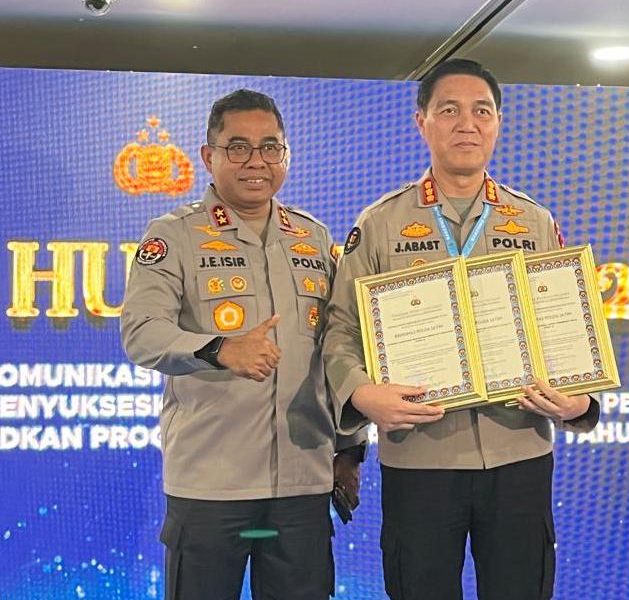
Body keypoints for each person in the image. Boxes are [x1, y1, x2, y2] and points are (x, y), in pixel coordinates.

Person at [323, 59, 601, 600]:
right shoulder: (380, 223)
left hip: (519, 453)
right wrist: (360, 394)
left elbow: (564, 323)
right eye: (449, 110)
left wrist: (580, 402)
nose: (467, 124)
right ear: (421, 121)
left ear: (498, 123)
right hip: (419, 454)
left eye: (482, 111)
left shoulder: (535, 221)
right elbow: (340, 329)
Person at [121, 89, 364, 600]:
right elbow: (141, 333)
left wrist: (349, 449)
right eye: (238, 147)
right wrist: (219, 349)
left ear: (286, 155)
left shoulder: (313, 237)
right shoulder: (174, 235)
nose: (256, 161)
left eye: (270, 147)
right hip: (211, 486)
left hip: (302, 483)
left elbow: (338, 348)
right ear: (208, 156)